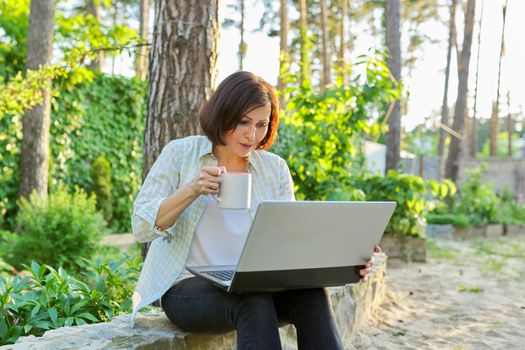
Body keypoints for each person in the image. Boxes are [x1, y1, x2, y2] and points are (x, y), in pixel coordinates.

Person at [131, 71, 378, 350]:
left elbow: (293, 240)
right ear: (223, 114)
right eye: (243, 122)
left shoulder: (274, 168)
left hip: (257, 282)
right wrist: (191, 189)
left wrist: (346, 259)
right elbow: (140, 227)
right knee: (252, 298)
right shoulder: (180, 153)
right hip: (187, 287)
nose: (252, 135)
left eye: (262, 124)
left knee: (312, 295)